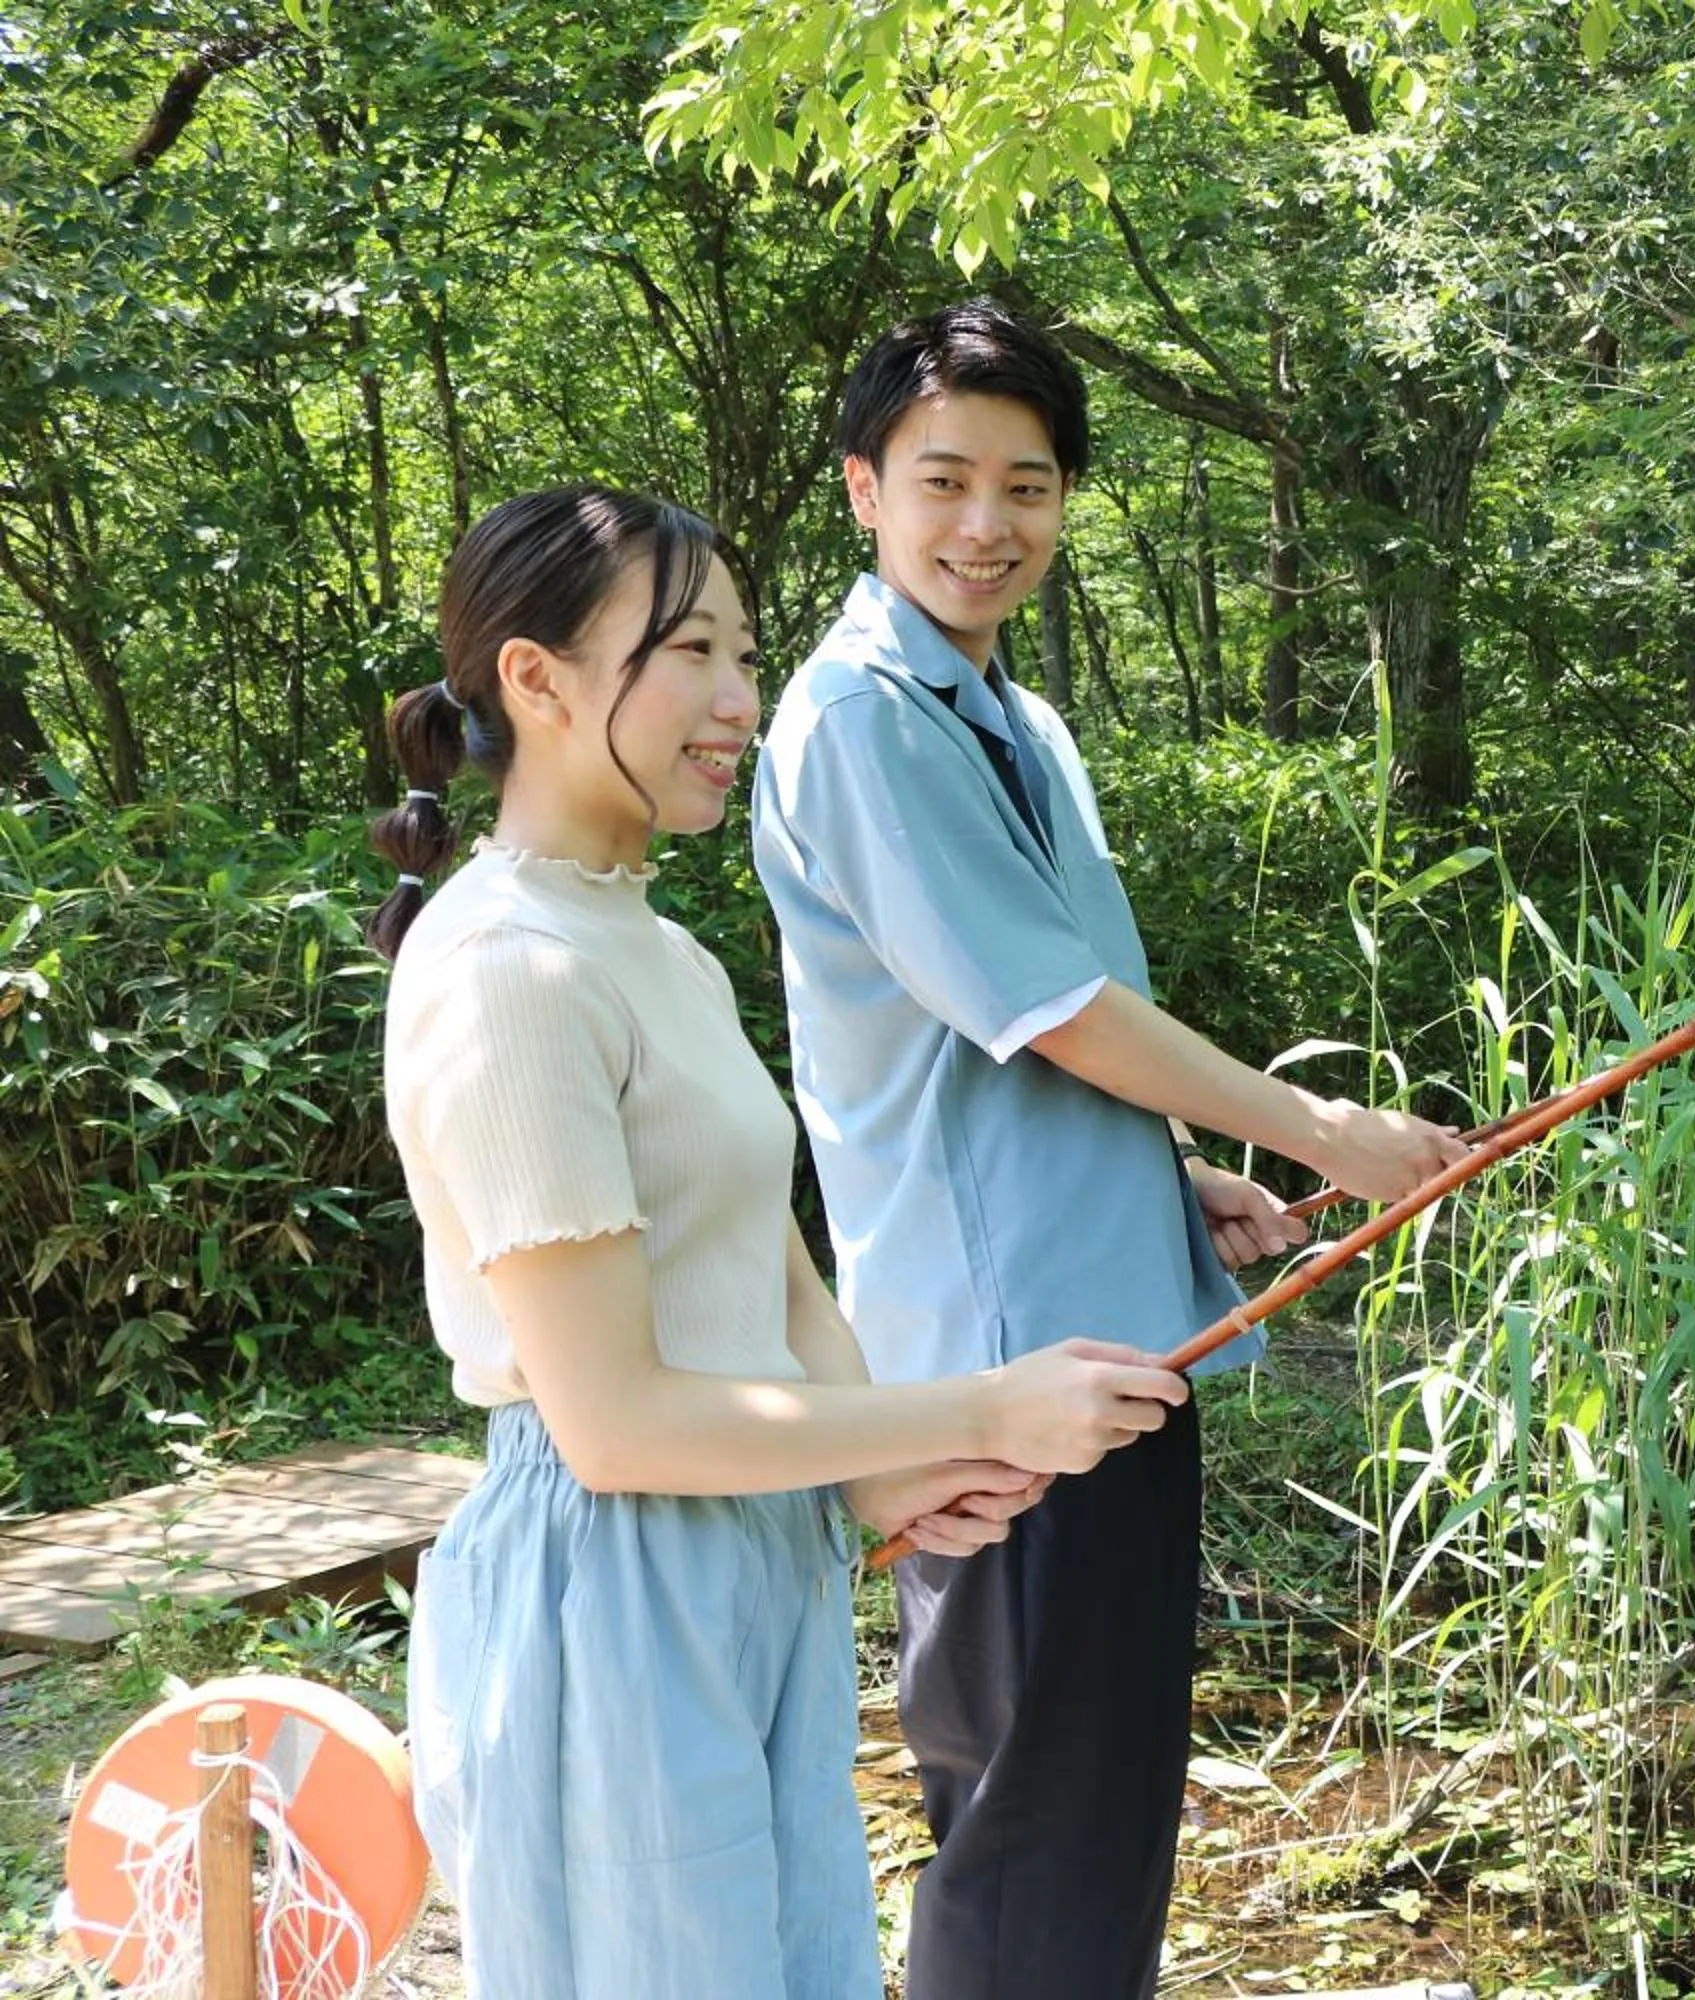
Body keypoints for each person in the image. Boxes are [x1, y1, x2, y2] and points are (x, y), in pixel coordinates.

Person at [370, 483, 1191, 1999]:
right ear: (535, 682)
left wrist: (887, 1463)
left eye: (746, 654)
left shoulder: (656, 944)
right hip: (612, 1580)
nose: (739, 699)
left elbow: (770, 1255)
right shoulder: (505, 968)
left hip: (759, 1542)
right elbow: (610, 1422)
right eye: (686, 652)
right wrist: (981, 1409)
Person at [752, 301, 1472, 1998]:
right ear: (865, 490)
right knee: (1034, 1826)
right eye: (944, 481)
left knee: (1089, 1808)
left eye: (1029, 485)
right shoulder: (862, 718)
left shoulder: (1015, 720)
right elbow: (1058, 1008)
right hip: (1007, 1374)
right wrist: (1316, 1129)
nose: (987, 525)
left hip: (1112, 1336)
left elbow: (1019, 1023)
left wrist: (1176, 1174)